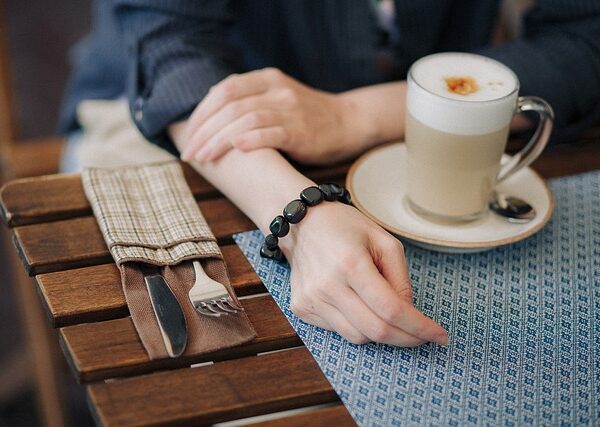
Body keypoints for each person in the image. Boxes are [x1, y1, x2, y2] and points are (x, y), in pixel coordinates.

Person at [59, 1, 600, 346]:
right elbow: (170, 47)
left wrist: (356, 116)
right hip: (180, 115)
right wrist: (301, 212)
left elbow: (587, 38)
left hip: (413, 112)